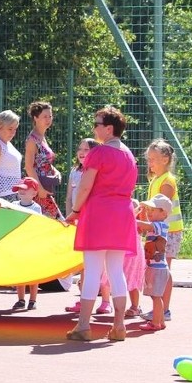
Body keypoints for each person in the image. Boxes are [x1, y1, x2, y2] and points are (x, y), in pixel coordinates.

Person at [64, 106, 138, 342]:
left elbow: (85, 186)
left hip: (98, 213)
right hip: (122, 214)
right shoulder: (129, 155)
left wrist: (75, 211)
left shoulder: (99, 153)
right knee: (116, 270)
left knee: (93, 269)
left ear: (109, 128)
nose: (94, 128)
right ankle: (118, 326)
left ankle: (83, 325)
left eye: (97, 124)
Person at [64, 138, 111, 314]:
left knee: (102, 263)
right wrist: (70, 216)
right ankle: (84, 299)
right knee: (84, 262)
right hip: (77, 220)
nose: (82, 152)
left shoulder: (96, 172)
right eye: (80, 148)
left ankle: (106, 300)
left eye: (87, 149)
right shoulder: (74, 172)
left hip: (94, 220)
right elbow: (70, 197)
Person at [140, 138, 181, 323]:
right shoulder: (155, 179)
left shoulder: (167, 181)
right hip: (158, 230)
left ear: (165, 160)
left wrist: (147, 223)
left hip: (168, 231)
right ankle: (159, 309)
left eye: (153, 159)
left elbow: (161, 208)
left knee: (164, 270)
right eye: (148, 159)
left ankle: (164, 310)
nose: (150, 163)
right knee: (158, 268)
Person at [136, 194, 173, 331]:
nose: (149, 212)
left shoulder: (159, 225)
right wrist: (143, 212)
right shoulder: (158, 225)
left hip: (157, 268)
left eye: (153, 210)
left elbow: (144, 225)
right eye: (148, 210)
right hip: (156, 266)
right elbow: (146, 224)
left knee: (156, 297)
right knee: (156, 296)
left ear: (163, 212)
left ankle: (156, 323)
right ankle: (161, 321)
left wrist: (130, 218)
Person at [24, 101, 64, 221]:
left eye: (50, 116)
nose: (48, 119)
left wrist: (56, 171)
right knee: (56, 222)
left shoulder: (42, 137)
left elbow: (44, 162)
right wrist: (40, 189)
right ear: (35, 118)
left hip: (46, 189)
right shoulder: (32, 140)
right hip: (38, 190)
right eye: (44, 116)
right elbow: (29, 167)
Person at [10, 177, 43, 310]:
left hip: (32, 245)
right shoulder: (14, 205)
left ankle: (33, 300)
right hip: (19, 245)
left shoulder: (36, 208)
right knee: (20, 273)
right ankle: (21, 299)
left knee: (33, 273)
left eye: (25, 189)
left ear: (34, 193)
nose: (21, 191)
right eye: (19, 189)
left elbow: (38, 225)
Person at [124, 198, 147, 317]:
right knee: (120, 280)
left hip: (134, 255)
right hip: (122, 254)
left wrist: (139, 211)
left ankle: (135, 306)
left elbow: (144, 228)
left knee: (132, 280)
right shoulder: (122, 222)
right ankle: (110, 303)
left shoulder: (137, 224)